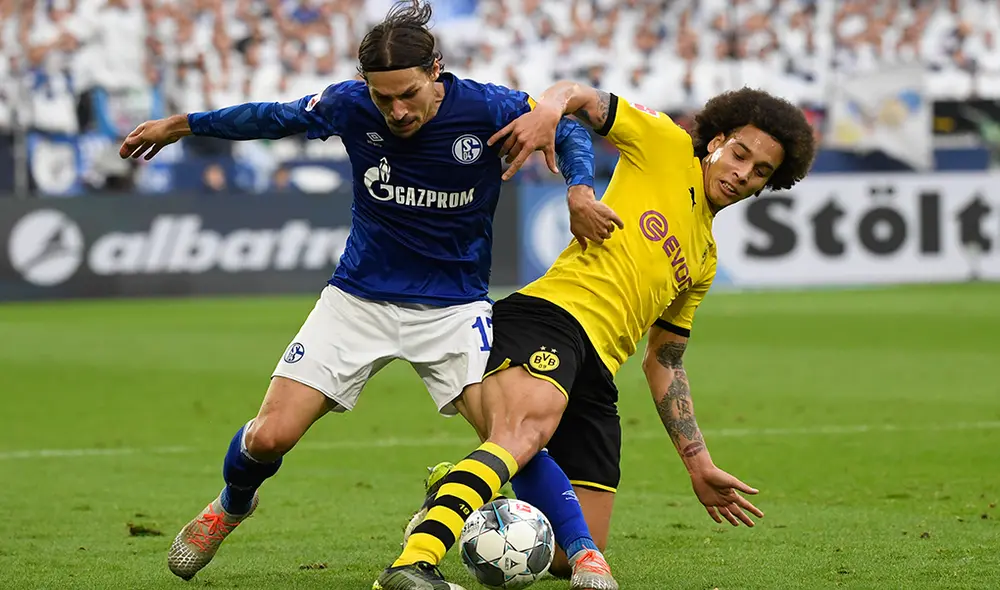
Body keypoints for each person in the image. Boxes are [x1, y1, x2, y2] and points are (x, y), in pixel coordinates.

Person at [117, 1, 622, 584]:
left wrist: (580, 192)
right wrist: (180, 125)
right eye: (384, 99)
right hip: (357, 300)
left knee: (512, 436)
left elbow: (572, 131)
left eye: (407, 94)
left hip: (454, 307)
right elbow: (272, 117)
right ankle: (232, 504)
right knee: (269, 436)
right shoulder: (349, 104)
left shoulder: (488, 107)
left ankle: (584, 553)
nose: (397, 111)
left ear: (436, 71)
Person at [380, 81, 817, 590]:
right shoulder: (666, 145)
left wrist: (699, 464)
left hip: (599, 369)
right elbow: (578, 96)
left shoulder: (704, 258)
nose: (743, 173)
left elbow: (665, 361)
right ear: (717, 140)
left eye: (760, 171)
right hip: (550, 317)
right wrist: (548, 113)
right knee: (520, 436)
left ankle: (455, 490)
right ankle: (415, 562)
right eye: (740, 154)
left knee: (570, 553)